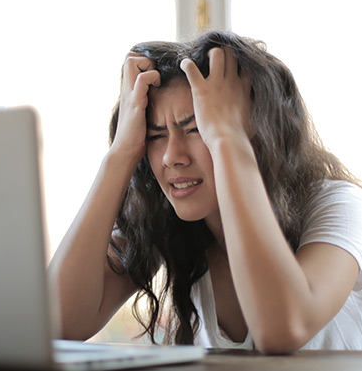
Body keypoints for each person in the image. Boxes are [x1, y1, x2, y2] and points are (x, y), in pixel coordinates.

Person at [49, 31, 362, 353]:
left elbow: (283, 329)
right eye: (156, 135)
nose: (172, 156)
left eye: (197, 129)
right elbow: (58, 324)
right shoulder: (166, 220)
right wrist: (121, 154)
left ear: (259, 130)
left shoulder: (340, 204)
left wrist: (226, 137)